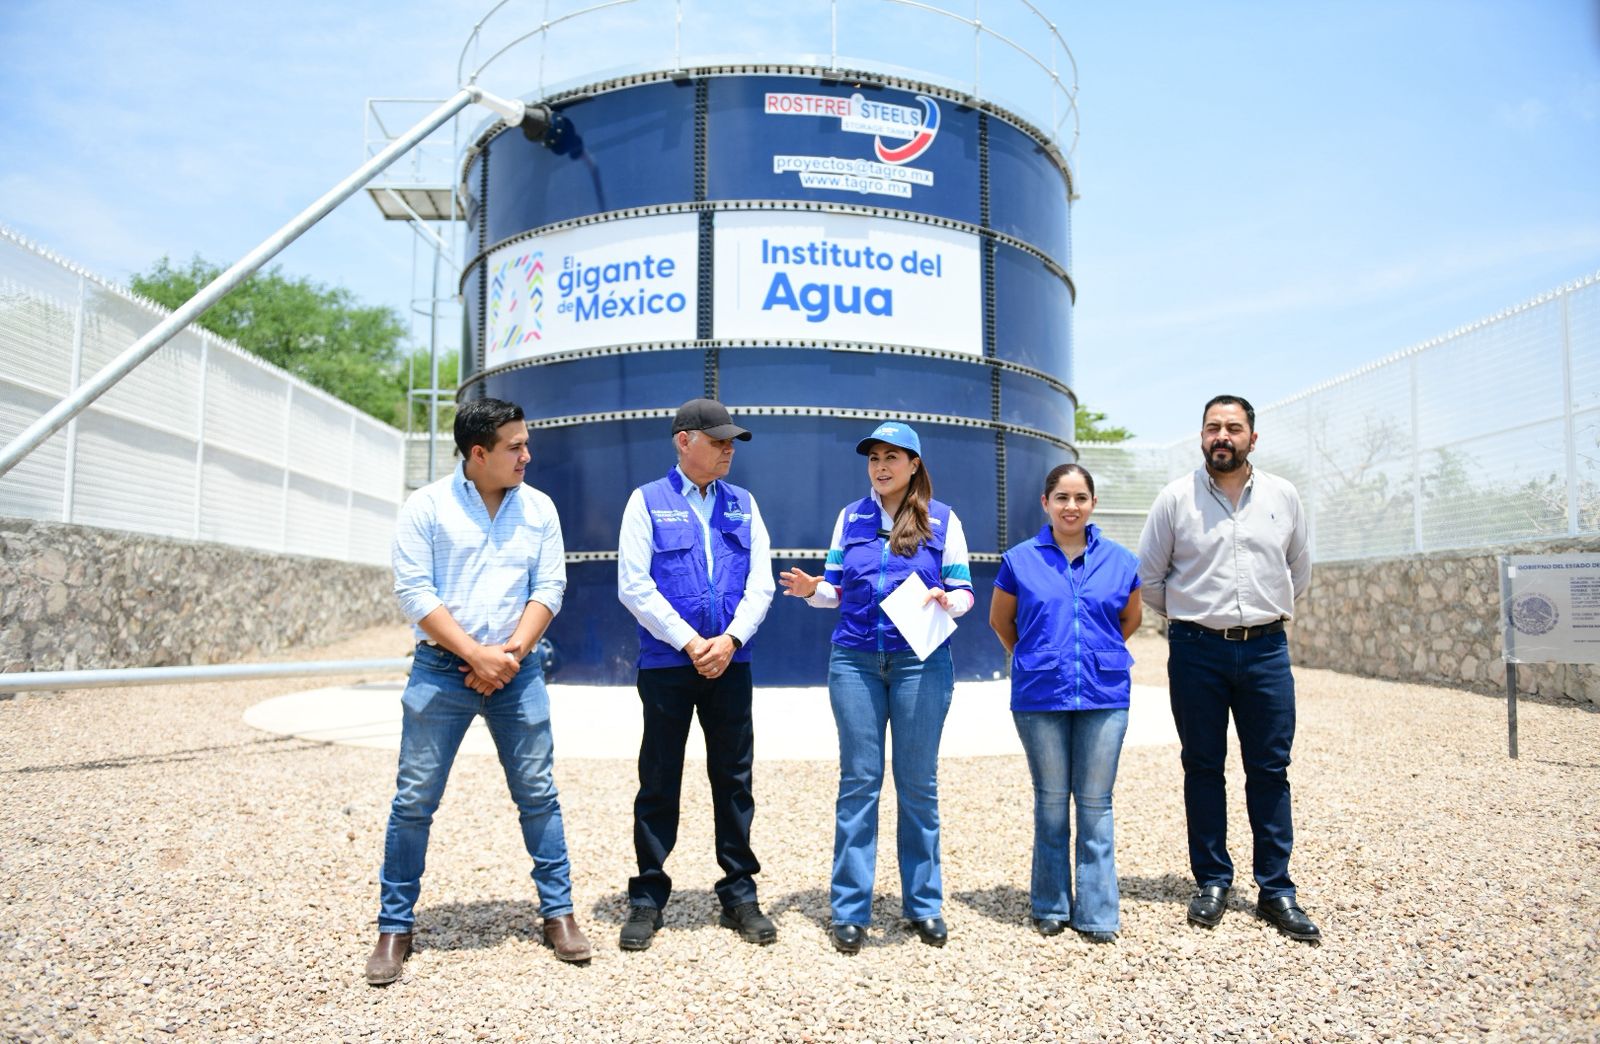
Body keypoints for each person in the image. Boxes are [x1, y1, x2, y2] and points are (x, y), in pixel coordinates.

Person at [366, 398, 589, 986]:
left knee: (539, 794)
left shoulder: (539, 508)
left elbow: (551, 586)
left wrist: (507, 656)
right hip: (442, 672)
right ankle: (395, 926)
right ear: (478, 453)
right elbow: (414, 592)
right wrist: (474, 654)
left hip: (518, 671)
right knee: (414, 799)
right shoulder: (426, 507)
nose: (526, 454)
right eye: (514, 446)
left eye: (526, 443)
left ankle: (558, 914)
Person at [779, 421, 974, 954]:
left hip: (921, 663)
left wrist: (946, 600)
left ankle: (924, 905)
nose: (881, 466)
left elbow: (964, 592)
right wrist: (811, 590)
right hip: (856, 662)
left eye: (893, 457)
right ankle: (849, 910)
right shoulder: (851, 517)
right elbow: (835, 591)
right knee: (859, 783)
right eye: (874, 458)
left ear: (915, 465)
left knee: (917, 786)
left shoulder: (944, 519)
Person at [1137, 394, 1320, 942]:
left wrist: (1256, 616)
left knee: (1270, 768)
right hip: (1196, 652)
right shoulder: (1175, 499)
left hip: (1266, 651)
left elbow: (1299, 570)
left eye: (1233, 428)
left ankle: (1276, 889)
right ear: (1201, 436)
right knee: (1203, 766)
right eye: (1213, 427)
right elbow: (1149, 578)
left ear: (1252, 439)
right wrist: (1197, 620)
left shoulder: (1283, 496)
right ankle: (1213, 879)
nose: (1223, 436)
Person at [615, 398, 778, 951]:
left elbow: (762, 583)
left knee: (733, 778)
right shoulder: (646, 502)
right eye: (719, 440)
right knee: (659, 778)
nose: (729, 448)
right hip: (667, 664)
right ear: (684, 441)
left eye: (733, 440)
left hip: (731, 662)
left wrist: (729, 640)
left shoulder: (744, 504)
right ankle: (647, 897)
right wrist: (689, 642)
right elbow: (634, 584)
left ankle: (738, 891)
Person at [989, 463, 1142, 944]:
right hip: (1039, 695)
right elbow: (1001, 622)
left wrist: (1092, 656)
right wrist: (1039, 657)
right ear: (1045, 503)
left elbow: (1128, 620)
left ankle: (1097, 913)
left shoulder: (1122, 561)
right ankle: (1050, 904)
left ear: (1093, 503)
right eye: (1061, 497)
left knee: (1095, 805)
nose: (1070, 507)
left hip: (1104, 694)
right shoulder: (1019, 560)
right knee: (1052, 802)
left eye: (1079, 497)